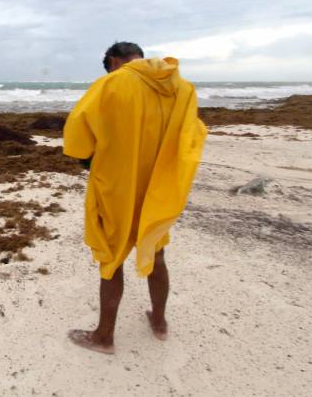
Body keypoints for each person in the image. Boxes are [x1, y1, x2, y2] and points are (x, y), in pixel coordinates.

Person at [63, 42, 206, 354]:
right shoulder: (183, 88)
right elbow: (192, 135)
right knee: (156, 252)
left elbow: (76, 139)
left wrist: (89, 158)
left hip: (118, 185)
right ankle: (159, 322)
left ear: (114, 61)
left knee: (111, 260)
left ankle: (104, 337)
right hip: (160, 186)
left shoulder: (111, 83)